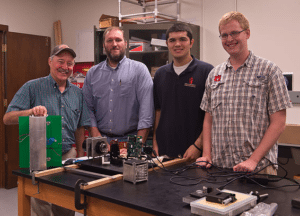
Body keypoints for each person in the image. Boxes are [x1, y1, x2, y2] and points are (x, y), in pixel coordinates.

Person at [197, 11, 292, 174]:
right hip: (220, 166)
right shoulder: (214, 75)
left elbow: (279, 123)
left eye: (234, 33)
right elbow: (208, 120)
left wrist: (252, 160)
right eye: (224, 35)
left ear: (247, 33)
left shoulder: (269, 70)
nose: (229, 39)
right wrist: (206, 154)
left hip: (258, 168)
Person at [3, 44, 90, 216]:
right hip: (40, 156)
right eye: (60, 62)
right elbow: (7, 118)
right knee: (41, 204)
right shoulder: (32, 87)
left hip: (68, 156)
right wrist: (30, 112)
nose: (65, 67)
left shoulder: (78, 94)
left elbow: (80, 126)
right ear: (50, 62)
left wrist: (79, 153)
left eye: (69, 63)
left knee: (67, 204)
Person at [82, 26, 154, 145]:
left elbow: (146, 112)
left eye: (118, 40)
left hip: (131, 140)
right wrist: (99, 140)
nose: (114, 44)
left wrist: (136, 146)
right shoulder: (92, 73)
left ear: (125, 44)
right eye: (109, 40)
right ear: (103, 45)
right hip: (101, 140)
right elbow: (87, 109)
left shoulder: (139, 70)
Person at [153, 23, 214, 161]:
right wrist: (155, 142)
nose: (177, 44)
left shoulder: (207, 71)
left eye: (182, 39)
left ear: (191, 42)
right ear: (167, 43)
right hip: (165, 152)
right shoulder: (160, 74)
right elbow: (158, 111)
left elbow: (212, 115)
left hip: (194, 152)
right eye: (172, 40)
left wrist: (198, 146)